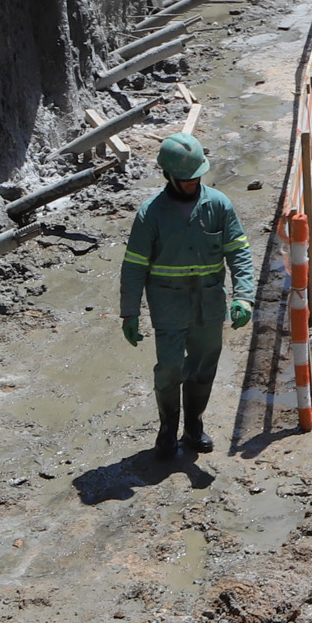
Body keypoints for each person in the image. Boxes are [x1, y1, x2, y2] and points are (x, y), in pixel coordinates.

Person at [117, 133, 253, 464]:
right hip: (168, 307)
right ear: (169, 176)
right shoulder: (151, 214)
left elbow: (239, 252)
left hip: (208, 304)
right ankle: (167, 430)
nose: (192, 184)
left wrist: (244, 296)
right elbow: (134, 266)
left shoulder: (218, 205)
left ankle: (193, 427)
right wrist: (129, 312)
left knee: (203, 368)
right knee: (170, 370)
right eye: (185, 180)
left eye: (196, 178)